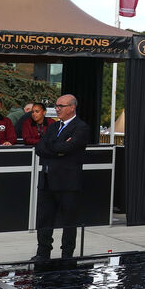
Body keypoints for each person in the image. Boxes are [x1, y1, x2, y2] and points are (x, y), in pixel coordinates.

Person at [33, 94, 89, 261]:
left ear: (72, 107)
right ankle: (43, 254)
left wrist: (55, 147)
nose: (57, 109)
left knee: (69, 222)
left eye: (61, 106)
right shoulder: (53, 127)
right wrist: (57, 149)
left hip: (67, 184)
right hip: (47, 181)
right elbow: (39, 148)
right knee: (44, 220)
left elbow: (70, 147)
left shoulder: (81, 128)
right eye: (56, 106)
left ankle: (67, 256)